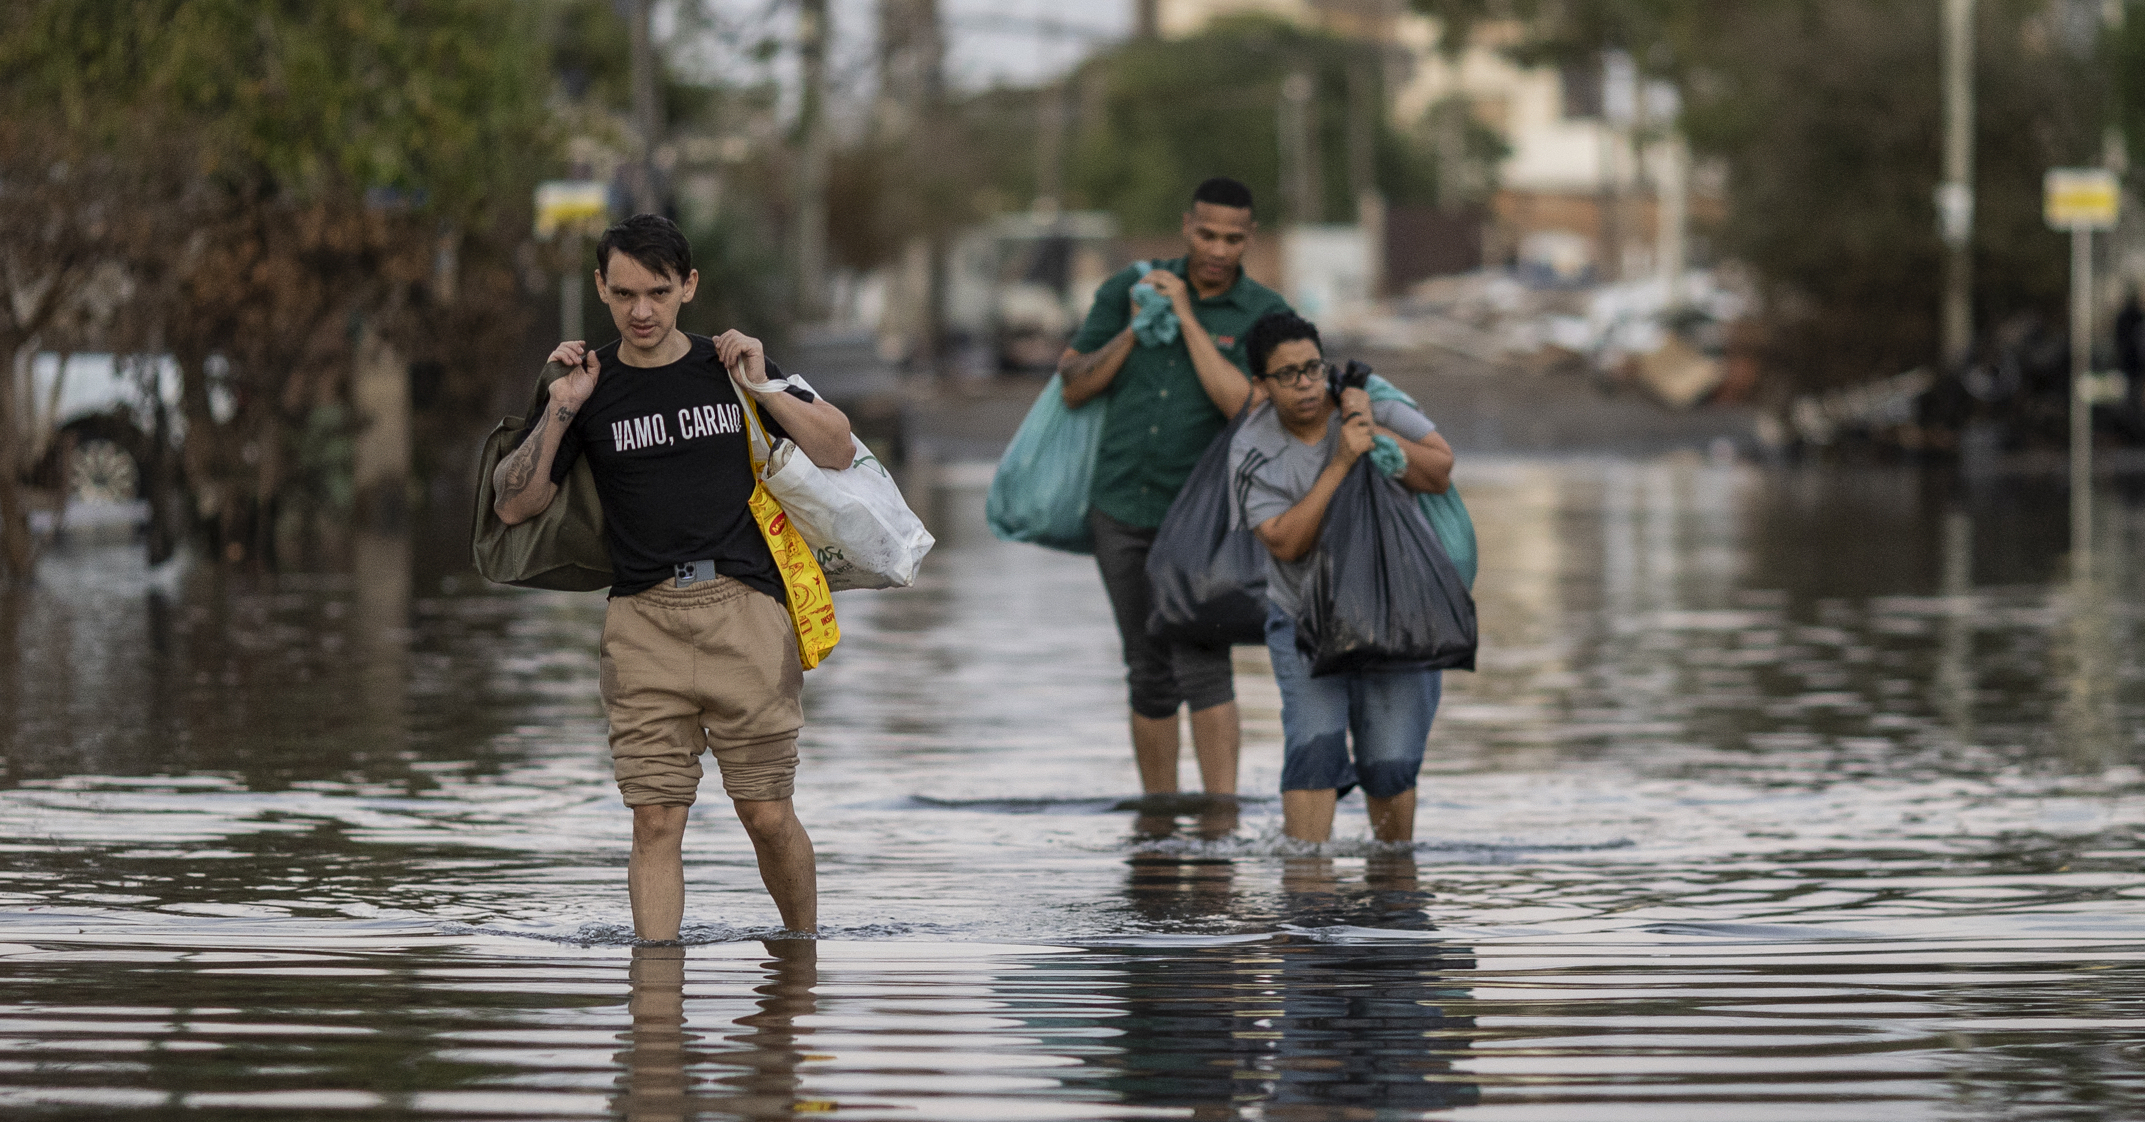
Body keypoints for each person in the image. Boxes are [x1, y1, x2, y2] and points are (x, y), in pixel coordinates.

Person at [491, 214, 856, 940]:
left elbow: (839, 449)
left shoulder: (731, 366)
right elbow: (513, 505)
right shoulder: (586, 384)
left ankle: (802, 960)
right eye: (623, 293)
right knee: (654, 819)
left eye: (657, 291)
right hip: (641, 621)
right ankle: (655, 1009)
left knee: (766, 812)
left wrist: (763, 387)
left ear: (689, 286)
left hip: (746, 613)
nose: (641, 311)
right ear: (600, 286)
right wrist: (559, 410)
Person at [1058, 176, 1293, 799]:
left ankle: (1222, 820)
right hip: (1121, 505)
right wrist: (1137, 326)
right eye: (1207, 233)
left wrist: (1186, 317)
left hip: (1205, 519)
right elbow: (1074, 384)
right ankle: (1158, 822)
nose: (1218, 249)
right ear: (1187, 226)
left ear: (1250, 239)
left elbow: (1247, 406)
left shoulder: (1266, 314)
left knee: (1204, 662)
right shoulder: (1126, 289)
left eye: (1232, 239)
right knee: (1147, 667)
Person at [1229, 311, 1456, 844]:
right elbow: (1285, 541)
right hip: (1304, 620)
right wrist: (1341, 460)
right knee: (1314, 751)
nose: (1306, 383)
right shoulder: (1251, 450)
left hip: (1399, 616)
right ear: (1261, 385)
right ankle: (1307, 900)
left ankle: (1393, 886)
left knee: (1391, 764)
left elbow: (1440, 471)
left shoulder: (1368, 400)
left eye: (1312, 367)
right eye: (1287, 375)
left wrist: (1369, 430)